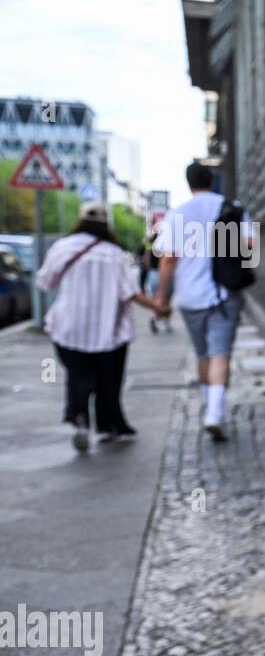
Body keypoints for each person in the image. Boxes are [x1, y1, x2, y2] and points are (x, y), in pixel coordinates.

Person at [36, 201, 168, 452]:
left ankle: (79, 419)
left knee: (77, 376)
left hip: (69, 327)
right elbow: (129, 292)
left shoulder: (62, 247)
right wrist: (156, 307)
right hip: (110, 330)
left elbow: (45, 281)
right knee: (109, 381)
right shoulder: (113, 253)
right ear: (106, 224)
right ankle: (109, 425)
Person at [154, 162, 252, 442]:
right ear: (213, 180)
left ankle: (210, 406)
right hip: (225, 294)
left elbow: (168, 258)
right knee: (220, 352)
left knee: (203, 355)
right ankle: (215, 413)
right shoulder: (233, 207)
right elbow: (249, 246)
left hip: (190, 296)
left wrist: (162, 296)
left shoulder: (177, 214)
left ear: (188, 184)